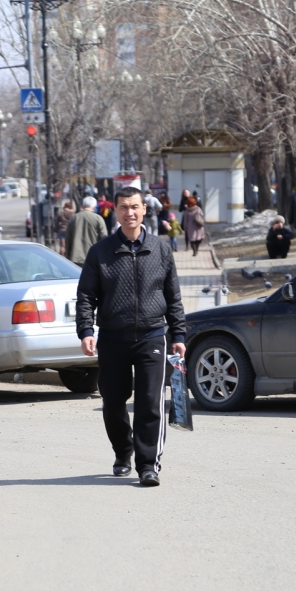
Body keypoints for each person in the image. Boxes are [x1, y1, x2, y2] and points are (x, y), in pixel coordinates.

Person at [76, 186, 186, 487]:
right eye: (124, 207)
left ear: (144, 209)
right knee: (113, 402)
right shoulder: (101, 252)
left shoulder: (161, 249)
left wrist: (178, 334)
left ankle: (148, 464)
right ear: (115, 210)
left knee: (150, 402)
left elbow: (173, 296)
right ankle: (123, 452)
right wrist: (86, 330)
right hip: (112, 337)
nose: (130, 212)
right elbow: (86, 296)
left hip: (152, 335)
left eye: (135, 206)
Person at [66, 196, 108, 266]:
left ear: (83, 205)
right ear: (94, 206)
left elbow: (68, 239)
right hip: (93, 258)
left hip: (75, 258)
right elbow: (104, 239)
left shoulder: (74, 218)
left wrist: (68, 255)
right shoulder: (98, 219)